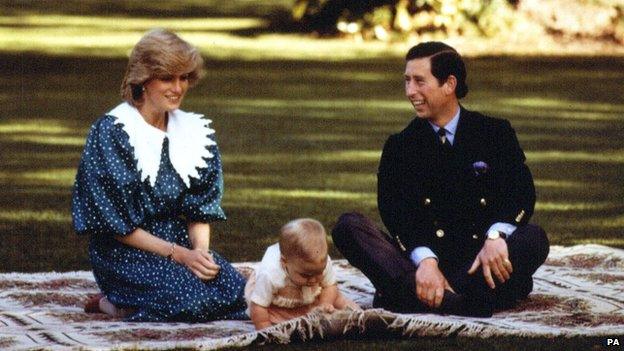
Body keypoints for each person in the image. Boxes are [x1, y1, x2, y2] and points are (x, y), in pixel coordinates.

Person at [331, 42, 549, 317]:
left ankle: (414, 296)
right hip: (423, 262)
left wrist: (497, 236)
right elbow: (396, 215)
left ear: (449, 84)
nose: (411, 92)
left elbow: (521, 195)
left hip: (477, 261)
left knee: (534, 238)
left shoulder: (494, 132)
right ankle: (457, 300)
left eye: (420, 81)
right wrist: (426, 261)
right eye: (407, 81)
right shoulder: (400, 146)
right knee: (349, 227)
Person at [71, 29, 247, 322]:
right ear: (142, 81)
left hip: (179, 243)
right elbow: (116, 225)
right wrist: (179, 255)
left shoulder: (193, 132)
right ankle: (112, 304)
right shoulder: (113, 133)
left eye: (184, 78)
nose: (178, 88)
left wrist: (200, 254)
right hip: (123, 251)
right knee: (190, 303)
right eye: (167, 78)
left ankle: (131, 303)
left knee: (238, 295)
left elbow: (198, 210)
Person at [245, 218, 359, 330]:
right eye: (306, 275)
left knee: (336, 296)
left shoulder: (320, 262)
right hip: (278, 296)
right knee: (275, 318)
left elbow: (330, 285)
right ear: (284, 262)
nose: (313, 280)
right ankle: (293, 314)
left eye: (318, 272)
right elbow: (258, 306)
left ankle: (358, 316)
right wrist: (265, 329)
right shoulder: (270, 275)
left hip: (306, 291)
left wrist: (325, 304)